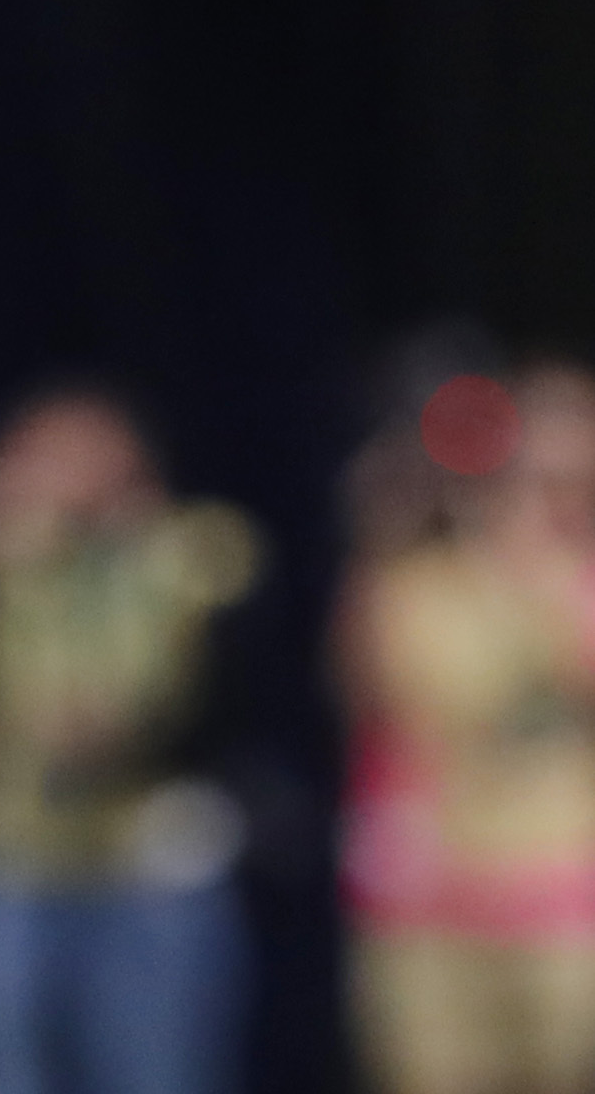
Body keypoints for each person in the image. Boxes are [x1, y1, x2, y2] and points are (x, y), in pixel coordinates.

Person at [0, 383, 257, 1094]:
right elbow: (21, 696)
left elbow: (128, 699)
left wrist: (130, 549)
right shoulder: (12, 559)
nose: (60, 476)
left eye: (83, 452)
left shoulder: (183, 552)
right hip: (12, 856)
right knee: (0, 1071)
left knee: (153, 1071)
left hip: (141, 862)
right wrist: (22, 557)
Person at [337, 362, 595, 1094]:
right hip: (436, 909)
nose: (547, 496)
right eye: (528, 472)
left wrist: (541, 574)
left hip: (567, 906)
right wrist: (389, 523)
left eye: (570, 475)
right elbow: (368, 693)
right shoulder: (421, 581)